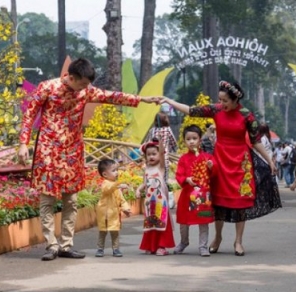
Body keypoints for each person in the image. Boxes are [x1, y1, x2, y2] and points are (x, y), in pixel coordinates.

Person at [18, 58, 160, 261]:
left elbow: (113, 96)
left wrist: (142, 100)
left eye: (88, 84)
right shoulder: (47, 87)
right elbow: (29, 114)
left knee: (71, 200)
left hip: (73, 152)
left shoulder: (87, 91)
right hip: (48, 151)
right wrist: (23, 143)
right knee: (47, 200)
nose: (86, 88)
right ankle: (51, 245)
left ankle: (66, 245)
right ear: (72, 77)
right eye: (83, 83)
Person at [161, 80, 280, 256]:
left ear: (235, 100)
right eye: (220, 100)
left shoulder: (247, 116)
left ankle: (238, 241)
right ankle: (217, 237)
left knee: (240, 202)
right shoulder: (216, 110)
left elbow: (255, 141)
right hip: (220, 161)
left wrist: (269, 159)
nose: (221, 103)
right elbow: (192, 110)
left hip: (241, 162)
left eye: (225, 101)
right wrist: (169, 101)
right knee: (217, 201)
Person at [174, 125, 214, 257]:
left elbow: (215, 173)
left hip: (203, 196)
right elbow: (179, 175)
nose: (191, 141)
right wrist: (186, 179)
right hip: (187, 196)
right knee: (184, 222)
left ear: (200, 140)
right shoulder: (183, 159)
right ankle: (184, 241)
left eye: (194, 138)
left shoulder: (207, 157)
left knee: (203, 221)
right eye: (188, 139)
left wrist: (211, 166)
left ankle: (203, 246)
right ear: (184, 141)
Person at [136, 137, 175, 256]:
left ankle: (161, 246)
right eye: (149, 154)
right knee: (150, 224)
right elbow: (144, 183)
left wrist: (161, 144)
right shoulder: (147, 169)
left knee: (161, 224)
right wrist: (138, 190)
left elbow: (163, 155)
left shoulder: (161, 168)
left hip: (160, 202)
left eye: (154, 153)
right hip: (149, 203)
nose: (151, 156)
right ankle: (151, 246)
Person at [95, 159, 131, 258]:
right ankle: (100, 248)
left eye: (116, 170)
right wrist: (118, 185)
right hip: (104, 214)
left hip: (114, 213)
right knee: (103, 232)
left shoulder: (116, 186)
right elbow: (108, 190)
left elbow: (121, 199)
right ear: (105, 174)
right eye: (114, 170)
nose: (116, 172)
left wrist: (125, 208)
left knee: (115, 232)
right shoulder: (105, 183)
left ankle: (115, 249)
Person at [145, 112, 178, 181]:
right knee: (164, 174)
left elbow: (147, 142)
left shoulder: (152, 130)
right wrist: (173, 150)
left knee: (153, 172)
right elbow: (173, 141)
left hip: (153, 154)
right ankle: (164, 187)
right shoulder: (167, 129)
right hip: (164, 155)